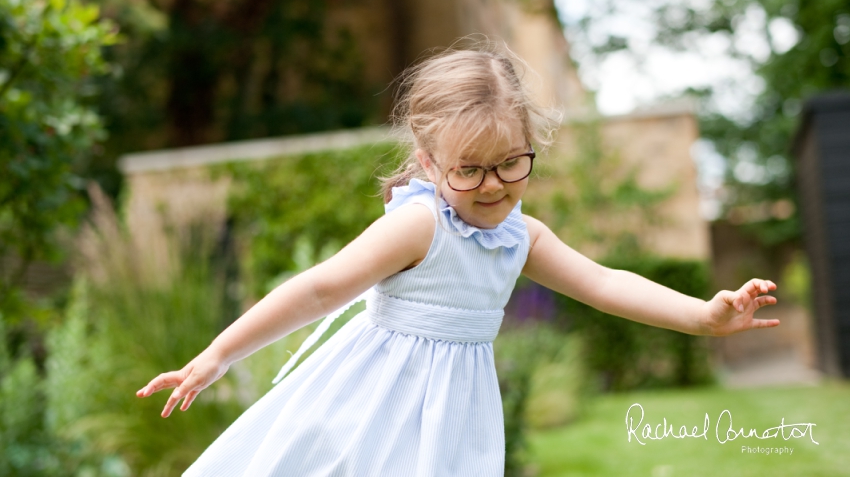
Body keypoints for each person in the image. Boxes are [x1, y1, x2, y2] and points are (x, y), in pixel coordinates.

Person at [136, 42, 780, 476]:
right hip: (372, 400)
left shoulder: (520, 237)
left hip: (455, 412)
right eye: (468, 171)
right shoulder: (419, 227)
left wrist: (702, 316)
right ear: (428, 163)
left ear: (530, 147)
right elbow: (317, 289)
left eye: (510, 163)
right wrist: (220, 354)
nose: (494, 185)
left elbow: (605, 282)